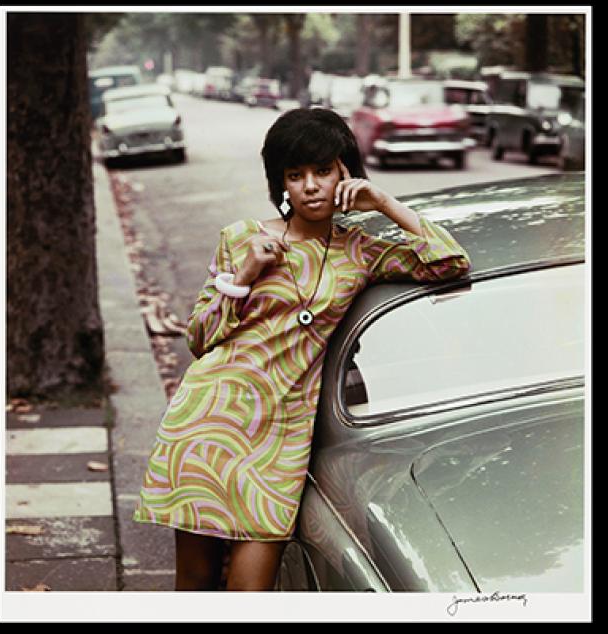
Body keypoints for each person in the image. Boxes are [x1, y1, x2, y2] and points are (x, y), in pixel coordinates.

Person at [132, 107, 471, 591]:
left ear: (345, 173)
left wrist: (383, 202)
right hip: (208, 426)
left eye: (323, 171)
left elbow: (450, 261)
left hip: (279, 440)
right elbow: (199, 337)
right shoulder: (241, 239)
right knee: (196, 583)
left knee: (251, 595)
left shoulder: (361, 251)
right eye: (296, 175)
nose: (310, 186)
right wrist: (244, 276)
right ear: (281, 185)